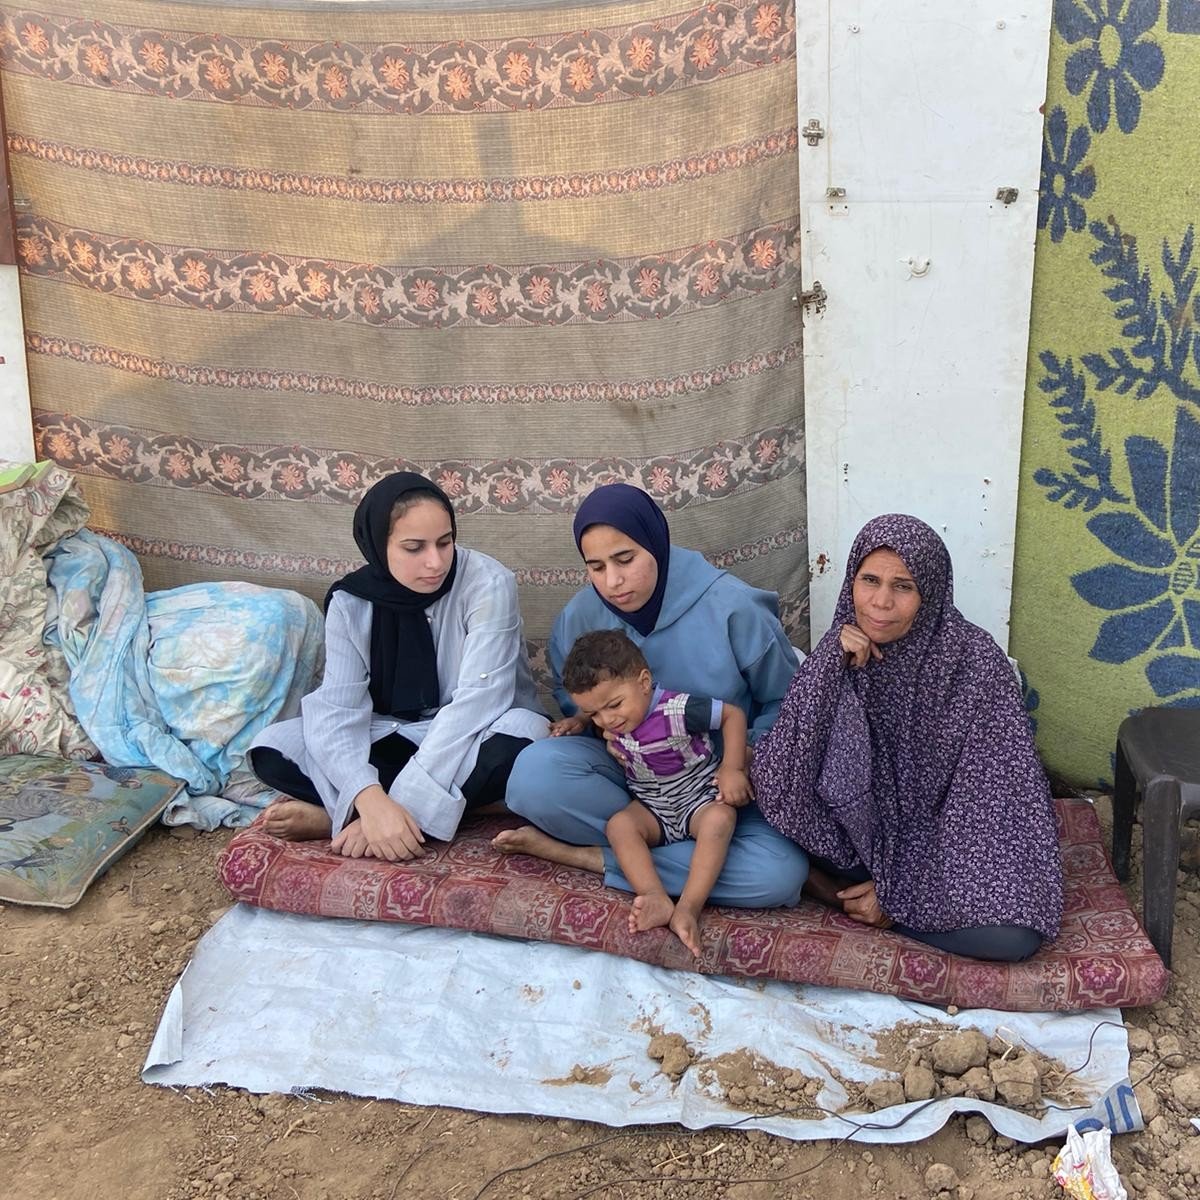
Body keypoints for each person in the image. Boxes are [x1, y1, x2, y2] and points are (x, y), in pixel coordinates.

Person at [750, 513, 1063, 961]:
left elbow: (989, 801)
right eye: (869, 580)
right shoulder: (841, 647)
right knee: (770, 816)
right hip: (858, 837)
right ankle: (852, 890)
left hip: (942, 840)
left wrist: (897, 896)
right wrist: (829, 665)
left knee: (1013, 938)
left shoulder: (974, 665)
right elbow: (786, 765)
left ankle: (852, 900)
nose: (880, 602)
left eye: (903, 586)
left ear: (929, 594)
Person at [497, 482, 808, 910]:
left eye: (625, 559)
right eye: (596, 567)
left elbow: (790, 702)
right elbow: (575, 698)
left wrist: (742, 760)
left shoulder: (734, 607)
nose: (613, 581)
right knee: (532, 779)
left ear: (655, 544)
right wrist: (601, 731)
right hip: (635, 781)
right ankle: (672, 856)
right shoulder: (580, 616)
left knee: (777, 875)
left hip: (722, 787)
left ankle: (595, 858)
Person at [249, 472, 547, 859]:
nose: (435, 562)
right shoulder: (350, 602)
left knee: (526, 742)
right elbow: (338, 706)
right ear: (378, 543)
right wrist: (369, 797)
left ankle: (345, 817)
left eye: (445, 542)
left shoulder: (488, 583)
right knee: (275, 750)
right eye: (413, 547)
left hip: (476, 731)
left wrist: (398, 802)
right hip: (391, 732)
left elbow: (480, 699)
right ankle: (425, 812)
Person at [559, 629, 752, 955]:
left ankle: (689, 906)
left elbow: (733, 715)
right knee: (619, 826)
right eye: (595, 714)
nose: (607, 720)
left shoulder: (677, 708)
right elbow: (598, 711)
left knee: (720, 820)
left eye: (614, 705)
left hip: (697, 794)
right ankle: (654, 895)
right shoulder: (610, 719)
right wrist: (581, 721)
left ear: (644, 682)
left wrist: (732, 768)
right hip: (652, 803)